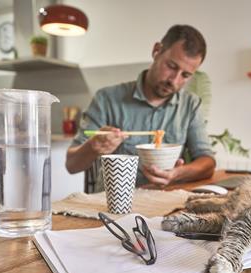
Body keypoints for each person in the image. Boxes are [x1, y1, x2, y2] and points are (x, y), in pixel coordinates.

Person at [66, 24, 215, 190]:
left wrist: (177, 173)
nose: (174, 80)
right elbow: (71, 165)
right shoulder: (107, 99)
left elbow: (207, 161)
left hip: (164, 203)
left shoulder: (190, 105)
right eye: (171, 66)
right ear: (156, 51)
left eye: (185, 75)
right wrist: (93, 146)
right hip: (110, 204)